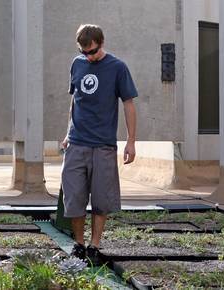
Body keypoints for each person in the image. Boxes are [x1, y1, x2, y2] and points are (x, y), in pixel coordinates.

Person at [61, 24, 138, 266]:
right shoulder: (77, 64)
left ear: (101, 43)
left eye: (92, 52)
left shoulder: (117, 68)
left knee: (101, 200)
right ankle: (79, 245)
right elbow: (75, 99)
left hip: (103, 145)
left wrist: (131, 141)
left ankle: (94, 246)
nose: (89, 57)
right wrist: (67, 133)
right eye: (84, 53)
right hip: (76, 143)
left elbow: (128, 104)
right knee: (73, 198)